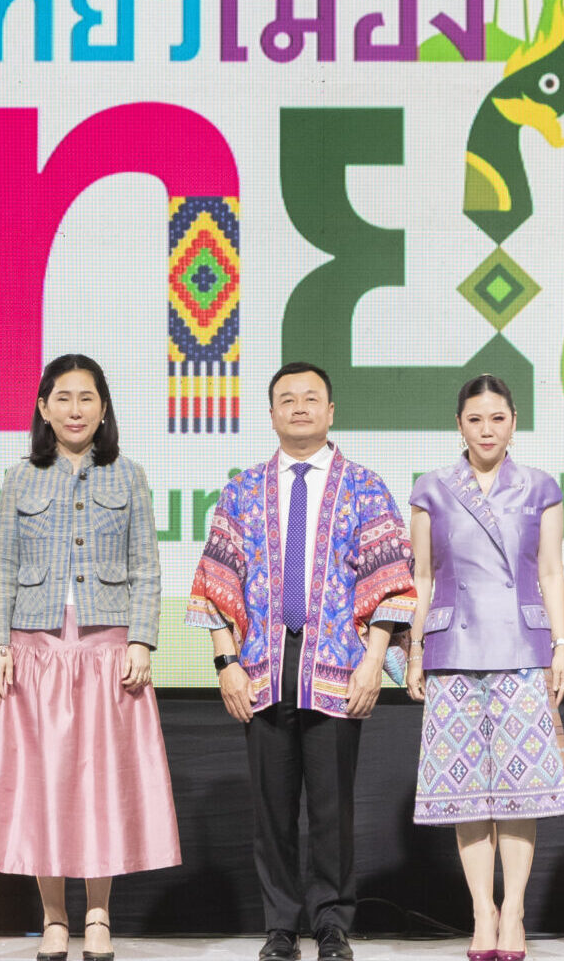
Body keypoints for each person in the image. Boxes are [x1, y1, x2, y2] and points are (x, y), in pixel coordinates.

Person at [188, 362, 415, 961]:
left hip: (338, 664)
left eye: (311, 397)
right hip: (262, 663)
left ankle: (333, 924)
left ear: (331, 411)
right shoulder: (242, 489)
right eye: (286, 399)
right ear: (271, 415)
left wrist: (373, 661)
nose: (299, 407)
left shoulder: (364, 486)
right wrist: (226, 663)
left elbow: (391, 582)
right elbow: (216, 583)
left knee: (333, 806)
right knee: (272, 806)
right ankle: (281, 927)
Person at [0, 354, 180, 961]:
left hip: (105, 647)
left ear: (103, 408)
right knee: (44, 783)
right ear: (43, 408)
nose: (74, 409)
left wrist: (141, 639)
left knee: (101, 782)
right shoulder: (20, 477)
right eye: (62, 398)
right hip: (35, 647)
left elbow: (147, 568)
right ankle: (54, 917)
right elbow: (2, 567)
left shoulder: (128, 475)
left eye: (86, 398)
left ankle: (97, 914)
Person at [404, 374, 564, 961]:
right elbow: (421, 576)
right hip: (452, 649)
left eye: (497, 418)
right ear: (459, 424)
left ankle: (515, 912)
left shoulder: (540, 486)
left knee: (520, 792)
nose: (487, 430)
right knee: (466, 792)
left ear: (513, 421)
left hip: (523, 649)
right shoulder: (432, 488)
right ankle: (483, 912)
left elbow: (551, 571)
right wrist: (414, 650)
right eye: (475, 419)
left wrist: (561, 645)